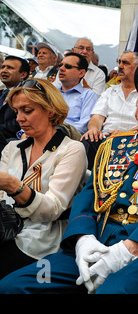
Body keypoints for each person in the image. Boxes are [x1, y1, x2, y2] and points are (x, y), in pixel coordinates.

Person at [0, 55, 138, 294]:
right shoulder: (114, 144)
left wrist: (129, 249)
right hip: (95, 243)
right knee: (13, 286)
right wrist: (83, 239)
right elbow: (88, 195)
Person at [0, 78, 87, 279]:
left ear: (50, 110)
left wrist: (14, 185)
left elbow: (53, 209)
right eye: (16, 112)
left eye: (27, 111)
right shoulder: (12, 148)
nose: (20, 118)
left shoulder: (72, 149)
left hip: (42, 238)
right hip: (7, 229)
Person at [81, 51, 138, 170]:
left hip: (133, 140)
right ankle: (86, 183)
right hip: (106, 139)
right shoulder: (109, 92)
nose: (120, 66)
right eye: (119, 62)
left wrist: (125, 134)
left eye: (125, 63)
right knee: (88, 139)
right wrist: (93, 129)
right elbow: (97, 117)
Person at [57, 52, 98, 135]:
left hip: (69, 138)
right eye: (60, 65)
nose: (61, 68)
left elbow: (83, 125)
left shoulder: (88, 95)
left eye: (67, 66)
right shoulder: (52, 93)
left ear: (81, 73)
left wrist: (58, 133)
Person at [0, 56, 30, 146]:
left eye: (10, 68)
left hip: (11, 142)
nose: (4, 70)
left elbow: (18, 124)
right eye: (3, 67)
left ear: (23, 75)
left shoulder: (27, 95)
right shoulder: (2, 93)